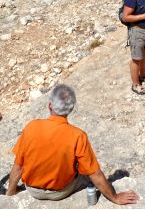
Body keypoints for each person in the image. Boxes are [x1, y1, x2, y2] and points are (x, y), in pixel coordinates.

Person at [8, 84, 138, 204]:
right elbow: (95, 174)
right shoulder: (77, 135)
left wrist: (11, 192)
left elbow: (18, 166)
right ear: (71, 109)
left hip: (33, 190)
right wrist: (114, 197)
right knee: (85, 173)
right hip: (60, 192)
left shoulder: (32, 126)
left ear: (50, 106)